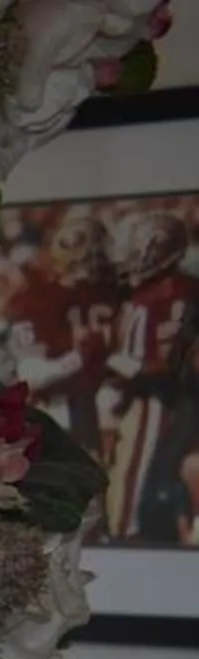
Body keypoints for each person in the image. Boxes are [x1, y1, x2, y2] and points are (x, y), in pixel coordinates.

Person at [100, 209, 199, 545]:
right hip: (143, 395)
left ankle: (126, 535)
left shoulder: (175, 295)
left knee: (133, 477)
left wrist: (121, 366)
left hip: (158, 399)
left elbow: (167, 364)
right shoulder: (148, 294)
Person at [5, 211, 121, 460]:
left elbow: (30, 375)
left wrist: (75, 360)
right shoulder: (122, 293)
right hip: (107, 402)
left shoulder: (36, 298)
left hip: (69, 405)